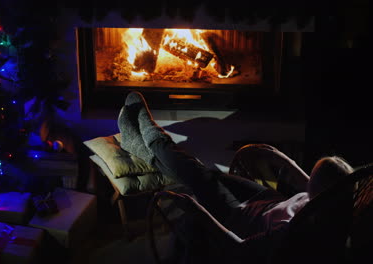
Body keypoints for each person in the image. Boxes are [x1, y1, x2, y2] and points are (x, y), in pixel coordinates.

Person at [117, 91, 354, 263]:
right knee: (203, 174)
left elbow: (240, 248)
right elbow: (309, 187)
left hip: (241, 217)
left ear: (321, 192)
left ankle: (153, 137)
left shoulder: (295, 234)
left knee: (196, 176)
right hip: (268, 200)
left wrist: (200, 212)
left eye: (312, 179)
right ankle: (144, 146)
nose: (306, 182)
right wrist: (287, 162)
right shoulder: (335, 200)